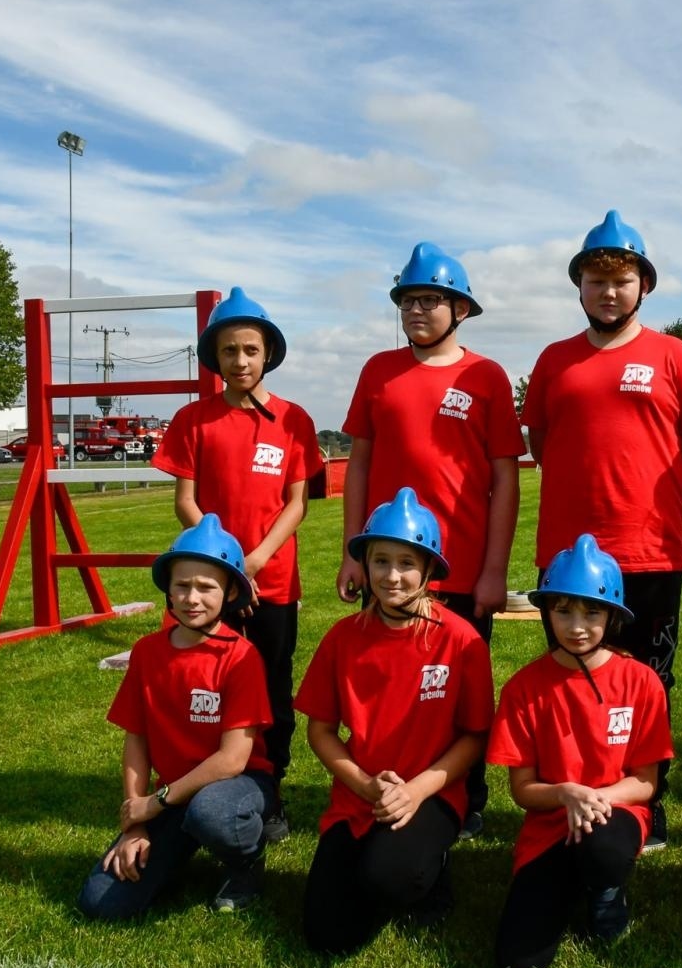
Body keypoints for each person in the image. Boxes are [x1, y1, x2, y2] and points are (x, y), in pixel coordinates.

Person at [522, 210, 682, 850]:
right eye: (596, 279)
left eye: (623, 278)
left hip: (650, 551)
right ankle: (569, 794)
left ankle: (646, 801)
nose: (609, 291)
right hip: (568, 559)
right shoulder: (554, 361)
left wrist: (656, 501)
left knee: (649, 682)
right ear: (579, 287)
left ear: (643, 286)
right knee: (570, 676)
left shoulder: (674, 356)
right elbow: (544, 442)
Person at [337, 242, 523, 839]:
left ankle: (464, 800)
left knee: (459, 692)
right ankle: (387, 784)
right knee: (392, 684)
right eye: (408, 300)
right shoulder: (378, 371)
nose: (416, 310)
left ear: (460, 308)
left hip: (462, 567)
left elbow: (504, 478)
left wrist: (494, 570)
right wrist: (352, 550)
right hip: (387, 562)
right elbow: (358, 466)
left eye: (431, 299)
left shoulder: (485, 376)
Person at [154, 287, 320, 842]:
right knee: (204, 685)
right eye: (230, 351)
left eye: (251, 349)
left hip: (270, 583)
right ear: (215, 358)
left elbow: (296, 503)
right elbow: (185, 500)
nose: (241, 361)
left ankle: (270, 793)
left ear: (268, 353)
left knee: (272, 687)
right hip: (210, 583)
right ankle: (201, 783)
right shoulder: (193, 419)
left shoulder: (293, 420)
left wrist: (254, 560)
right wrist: (223, 567)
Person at [297, 488, 493, 955]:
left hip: (432, 794)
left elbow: (474, 736)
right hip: (359, 795)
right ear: (364, 565)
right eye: (380, 561)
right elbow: (320, 731)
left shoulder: (461, 641)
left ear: (429, 570)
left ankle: (431, 864)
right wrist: (365, 786)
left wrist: (416, 791)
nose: (392, 576)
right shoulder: (343, 639)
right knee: (326, 936)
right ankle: (377, 861)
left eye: (407, 563)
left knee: (390, 880)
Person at [488, 535, 674, 968]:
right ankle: (567, 880)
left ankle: (605, 889)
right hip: (551, 822)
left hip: (616, 812)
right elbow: (523, 790)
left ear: (612, 616)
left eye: (592, 611)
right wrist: (566, 795)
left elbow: (645, 782)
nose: (576, 625)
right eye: (563, 609)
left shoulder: (642, 681)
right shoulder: (523, 688)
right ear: (547, 611)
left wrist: (594, 799)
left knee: (603, 849)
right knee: (518, 962)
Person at [77, 515, 275, 919]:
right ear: (167, 588)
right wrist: (135, 821)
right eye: (182, 585)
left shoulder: (241, 658)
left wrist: (156, 803)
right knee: (101, 902)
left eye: (207, 587)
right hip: (174, 797)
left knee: (212, 813)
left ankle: (247, 862)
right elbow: (137, 738)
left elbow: (233, 759)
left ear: (231, 591)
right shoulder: (147, 653)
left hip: (237, 786)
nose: (192, 598)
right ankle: (178, 850)